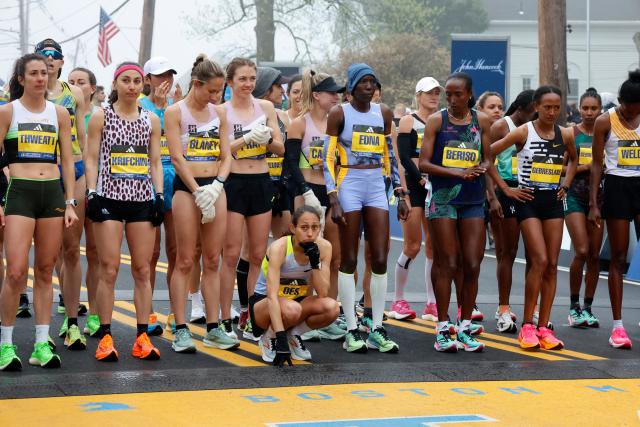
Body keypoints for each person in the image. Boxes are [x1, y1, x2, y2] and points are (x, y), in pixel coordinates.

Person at [0, 53, 78, 371]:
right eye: (33, 73)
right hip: (19, 192)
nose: (40, 79)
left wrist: (71, 201)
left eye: (44, 73)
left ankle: (41, 344)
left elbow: (68, 160)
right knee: (16, 272)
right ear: (21, 79)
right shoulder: (8, 111)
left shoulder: (59, 112)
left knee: (45, 271)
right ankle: (6, 345)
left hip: (52, 195)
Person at [325, 63, 408, 354]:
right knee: (348, 258)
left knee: (381, 256)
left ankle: (376, 328)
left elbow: (390, 155)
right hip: (348, 182)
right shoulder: (339, 114)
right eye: (363, 82)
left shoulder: (383, 113)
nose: (369, 87)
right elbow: (327, 158)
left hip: (376, 184)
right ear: (351, 87)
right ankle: (350, 328)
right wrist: (332, 195)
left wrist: (399, 190)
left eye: (373, 82)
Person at [84, 61, 164, 361]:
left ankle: (141, 337)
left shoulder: (151, 120)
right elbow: (91, 158)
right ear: (115, 84)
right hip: (108, 198)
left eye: (137, 81)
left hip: (142, 199)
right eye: (126, 80)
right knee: (110, 268)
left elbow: (155, 161)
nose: (132, 86)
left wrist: (158, 196)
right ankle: (105, 337)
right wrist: (91, 192)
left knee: (143, 269)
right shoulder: (100, 116)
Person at [491, 85, 577, 351]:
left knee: (551, 264)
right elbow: (488, 153)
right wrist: (506, 189)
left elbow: (573, 160)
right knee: (538, 259)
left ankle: (544, 328)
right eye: (546, 107)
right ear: (536, 107)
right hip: (527, 200)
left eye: (556, 107)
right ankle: (528, 326)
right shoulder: (523, 131)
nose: (551, 112)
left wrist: (567, 183)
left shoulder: (565, 134)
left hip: (553, 201)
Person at [165, 54, 239, 352]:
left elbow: (226, 156)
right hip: (187, 189)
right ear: (196, 84)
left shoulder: (219, 114)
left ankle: (213, 327)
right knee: (185, 259)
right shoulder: (175, 112)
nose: (216, 97)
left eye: (220, 91)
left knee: (212, 259)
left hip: (215, 188)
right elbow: (176, 157)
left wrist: (217, 185)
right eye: (211, 91)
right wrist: (198, 191)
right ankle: (181, 328)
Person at [419, 72, 494, 353]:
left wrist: (483, 167)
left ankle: (464, 326)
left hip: (473, 199)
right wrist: (455, 172)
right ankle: (441, 328)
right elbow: (424, 163)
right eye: (447, 94)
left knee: (472, 264)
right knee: (447, 263)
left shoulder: (481, 121)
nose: (451, 99)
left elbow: (488, 157)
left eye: (457, 94)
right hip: (442, 198)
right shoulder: (437, 120)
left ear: (470, 95)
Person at [219, 58, 284, 341]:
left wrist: (266, 139)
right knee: (231, 255)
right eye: (242, 79)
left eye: (251, 78)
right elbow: (220, 151)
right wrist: (246, 139)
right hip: (233, 183)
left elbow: (280, 148)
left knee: (258, 254)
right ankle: (223, 317)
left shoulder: (266, 107)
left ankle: (250, 313)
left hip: (261, 181)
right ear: (230, 82)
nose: (248, 84)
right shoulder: (220, 110)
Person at [34, 39, 88, 348]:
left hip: (74, 171)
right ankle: (43, 322)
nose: (50, 61)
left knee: (71, 249)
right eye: (44, 56)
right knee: (48, 253)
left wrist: (86, 177)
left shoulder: (74, 93)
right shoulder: (28, 92)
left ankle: (71, 323)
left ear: (62, 62)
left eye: (55, 57)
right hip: (40, 171)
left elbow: (80, 135)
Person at [284, 69, 346, 340]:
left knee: (334, 257)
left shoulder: (338, 123)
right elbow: (290, 162)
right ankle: (301, 314)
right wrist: (306, 191)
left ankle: (326, 312)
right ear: (317, 95)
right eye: (331, 92)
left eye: (337, 93)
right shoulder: (300, 123)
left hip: (332, 193)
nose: (336, 97)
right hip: (306, 193)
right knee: (305, 257)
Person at [589, 69, 640, 349]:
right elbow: (597, 164)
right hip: (618, 185)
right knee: (618, 257)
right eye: (628, 109)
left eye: (637, 110)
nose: (632, 114)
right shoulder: (604, 121)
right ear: (620, 101)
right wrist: (594, 203)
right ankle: (618, 327)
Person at [251, 206, 339, 365]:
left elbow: (322, 292)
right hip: (264, 306)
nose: (310, 233)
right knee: (292, 309)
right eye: (304, 228)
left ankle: (292, 334)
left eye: (315, 227)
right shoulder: (280, 247)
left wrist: (314, 261)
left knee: (332, 307)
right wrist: (280, 337)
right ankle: (268, 337)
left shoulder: (324, 247)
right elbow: (271, 296)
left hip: (296, 304)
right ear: (293, 228)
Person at [486, 90, 536, 333]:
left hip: (531, 191)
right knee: (507, 252)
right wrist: (494, 196)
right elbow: (487, 161)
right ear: (522, 109)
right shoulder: (500, 127)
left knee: (535, 255)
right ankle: (503, 309)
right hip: (507, 192)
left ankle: (532, 309)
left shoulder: (536, 128)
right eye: (534, 112)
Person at [393, 77, 441, 321]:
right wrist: (415, 184)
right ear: (418, 95)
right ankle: (398, 299)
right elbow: (403, 157)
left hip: (435, 186)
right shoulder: (408, 121)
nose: (433, 97)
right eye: (428, 93)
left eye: (436, 93)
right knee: (412, 246)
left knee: (433, 246)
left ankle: (431, 303)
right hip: (414, 186)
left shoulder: (441, 121)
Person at [140, 56, 178, 336]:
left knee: (177, 252)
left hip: (176, 178)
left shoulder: (179, 108)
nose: (165, 81)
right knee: (150, 254)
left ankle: (177, 313)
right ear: (148, 79)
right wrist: (159, 108)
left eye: (169, 75)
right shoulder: (141, 106)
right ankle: (148, 311)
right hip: (148, 178)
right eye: (159, 75)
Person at [564, 88, 603, 328]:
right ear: (579, 109)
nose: (589, 113)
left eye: (594, 109)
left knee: (595, 255)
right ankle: (573, 306)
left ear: (600, 110)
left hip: (599, 198)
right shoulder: (571, 133)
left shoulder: (605, 134)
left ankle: (588, 307)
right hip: (574, 196)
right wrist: (586, 167)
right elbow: (560, 169)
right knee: (581, 250)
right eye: (585, 108)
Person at [68, 67, 101, 337]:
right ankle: (70, 320)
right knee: (69, 251)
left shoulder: (101, 114)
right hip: (73, 177)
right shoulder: (62, 112)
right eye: (71, 82)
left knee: (96, 253)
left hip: (99, 181)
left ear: (92, 88)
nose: (76, 86)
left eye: (81, 82)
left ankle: (95, 315)